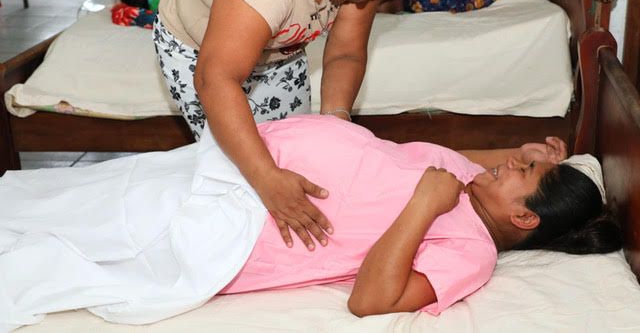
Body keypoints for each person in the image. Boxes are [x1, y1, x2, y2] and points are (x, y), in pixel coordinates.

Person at [0, 115, 622, 326]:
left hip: (243, 223)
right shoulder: (468, 175)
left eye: (524, 173)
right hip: (246, 167)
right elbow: (477, 160)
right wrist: (533, 153)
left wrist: (422, 207)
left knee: (74, 231)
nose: (511, 163)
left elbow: (371, 300)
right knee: (71, 194)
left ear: (522, 216)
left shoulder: (472, 250)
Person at [154, 0, 418, 253]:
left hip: (279, 51)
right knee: (244, 178)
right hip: (202, 55)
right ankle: (225, 257)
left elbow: (345, 52)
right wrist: (265, 177)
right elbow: (216, 78)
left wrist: (335, 125)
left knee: (298, 162)